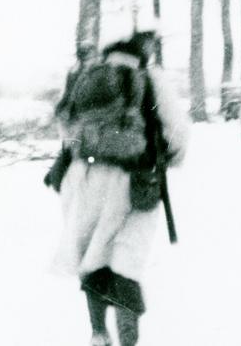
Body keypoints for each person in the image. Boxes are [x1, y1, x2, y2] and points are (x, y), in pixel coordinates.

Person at [51, 31, 189, 346]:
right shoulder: (149, 77)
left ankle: (98, 334)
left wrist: (84, 154)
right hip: (134, 180)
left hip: (84, 177)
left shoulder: (87, 75)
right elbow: (177, 130)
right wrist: (169, 157)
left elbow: (66, 128)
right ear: (142, 45)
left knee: (92, 257)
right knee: (126, 262)